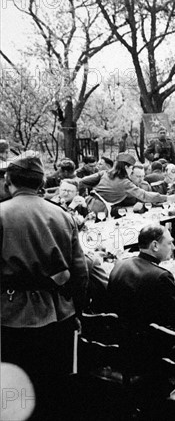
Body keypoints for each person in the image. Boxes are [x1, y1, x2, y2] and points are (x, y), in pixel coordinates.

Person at [1, 152, 88, 419]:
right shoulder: (62, 215)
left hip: (11, 317)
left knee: (15, 394)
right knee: (54, 390)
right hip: (57, 314)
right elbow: (79, 272)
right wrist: (77, 310)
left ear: (8, 180)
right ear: (40, 183)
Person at [108, 224, 175, 329]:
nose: (173, 247)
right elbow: (174, 318)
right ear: (155, 246)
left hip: (118, 334)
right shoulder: (162, 277)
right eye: (169, 243)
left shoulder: (119, 265)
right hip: (149, 340)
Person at [81, 153, 174, 215]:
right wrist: (167, 198)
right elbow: (144, 196)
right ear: (126, 167)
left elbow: (83, 181)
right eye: (131, 168)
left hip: (87, 205)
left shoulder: (105, 173)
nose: (131, 170)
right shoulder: (125, 182)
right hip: (100, 210)